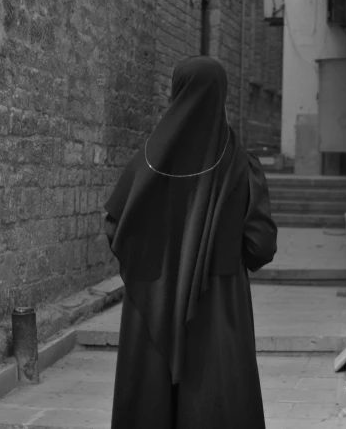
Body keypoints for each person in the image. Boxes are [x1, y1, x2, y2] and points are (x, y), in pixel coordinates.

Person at [103, 56, 278, 429]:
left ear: (175, 93)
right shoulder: (240, 166)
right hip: (220, 306)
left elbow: (115, 229)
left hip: (150, 303)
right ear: (222, 96)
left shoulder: (145, 163)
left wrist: (159, 262)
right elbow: (261, 245)